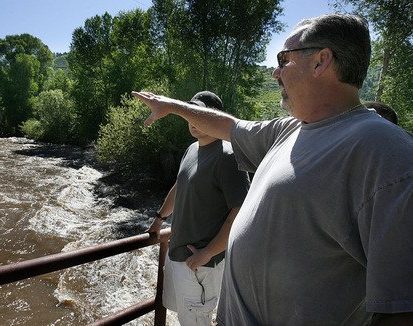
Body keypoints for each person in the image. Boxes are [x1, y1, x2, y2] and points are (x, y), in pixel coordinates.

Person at [133, 14, 413, 326]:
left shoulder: (387, 153)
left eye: (284, 59)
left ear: (321, 61)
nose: (275, 72)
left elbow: (400, 309)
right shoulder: (289, 128)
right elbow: (229, 125)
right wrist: (170, 105)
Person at [146, 91, 249, 325]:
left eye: (199, 114)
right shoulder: (192, 149)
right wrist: (159, 218)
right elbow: (179, 186)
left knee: (196, 321)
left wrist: (208, 253)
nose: (193, 120)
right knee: (184, 317)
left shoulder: (229, 156)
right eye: (191, 114)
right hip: (179, 255)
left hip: (201, 264)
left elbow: (241, 212)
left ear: (215, 117)